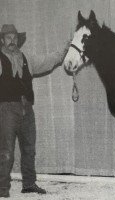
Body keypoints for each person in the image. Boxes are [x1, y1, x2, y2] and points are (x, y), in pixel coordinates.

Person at [0, 24, 68, 198]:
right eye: (8, 37)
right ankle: (2, 189)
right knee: (6, 151)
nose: (12, 41)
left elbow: (47, 60)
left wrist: (65, 50)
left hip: (27, 109)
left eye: (14, 37)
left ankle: (29, 184)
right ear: (2, 40)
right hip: (6, 109)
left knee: (29, 149)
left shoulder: (26, 58)